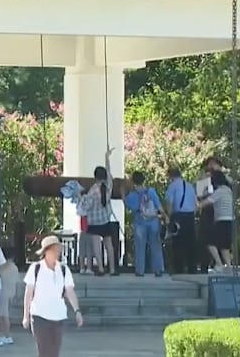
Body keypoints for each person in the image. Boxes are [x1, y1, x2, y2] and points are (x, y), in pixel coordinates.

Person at [22, 235, 83, 357]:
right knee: (43, 351)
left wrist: (77, 311)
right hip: (39, 316)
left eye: (58, 250)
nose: (57, 253)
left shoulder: (63, 269)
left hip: (59, 316)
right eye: (54, 250)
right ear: (46, 251)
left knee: (54, 352)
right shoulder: (36, 268)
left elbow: (70, 291)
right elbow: (28, 293)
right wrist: (26, 316)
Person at [79, 147, 118, 276]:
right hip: (105, 220)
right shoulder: (109, 186)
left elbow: (86, 206)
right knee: (109, 245)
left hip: (94, 222)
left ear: (94, 176)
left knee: (96, 245)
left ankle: (101, 268)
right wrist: (107, 157)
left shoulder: (92, 191)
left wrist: (80, 197)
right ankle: (112, 269)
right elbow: (109, 172)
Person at [123, 171, 166, 277]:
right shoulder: (151, 191)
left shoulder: (132, 195)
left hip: (140, 221)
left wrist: (123, 194)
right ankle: (158, 269)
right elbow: (159, 206)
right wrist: (165, 216)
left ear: (133, 181)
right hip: (153, 220)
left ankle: (140, 270)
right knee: (155, 245)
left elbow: (129, 206)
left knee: (140, 246)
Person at [198, 170, 235, 273]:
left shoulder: (219, 192)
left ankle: (219, 264)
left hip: (221, 220)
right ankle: (228, 266)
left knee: (210, 241)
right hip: (230, 219)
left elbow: (205, 203)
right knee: (224, 245)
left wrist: (197, 202)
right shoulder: (228, 191)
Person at [165, 167, 198, 274]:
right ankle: (192, 268)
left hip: (178, 216)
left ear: (171, 176)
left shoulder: (172, 186)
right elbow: (195, 203)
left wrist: (169, 217)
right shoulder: (190, 186)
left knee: (178, 243)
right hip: (190, 216)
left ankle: (179, 268)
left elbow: (169, 202)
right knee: (190, 243)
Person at [0, 245, 19, 345]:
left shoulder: (2, 267)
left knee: (3, 315)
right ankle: (5, 334)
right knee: (5, 314)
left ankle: (7, 335)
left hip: (3, 292)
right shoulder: (14, 267)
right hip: (11, 292)